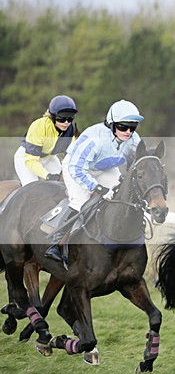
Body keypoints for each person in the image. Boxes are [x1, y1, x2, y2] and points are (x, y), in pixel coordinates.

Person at [44, 99, 144, 262]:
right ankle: (57, 244)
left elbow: (137, 162)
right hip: (77, 167)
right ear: (111, 124)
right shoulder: (95, 138)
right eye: (123, 127)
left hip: (104, 168)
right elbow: (77, 169)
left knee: (120, 195)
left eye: (132, 127)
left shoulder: (134, 139)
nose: (128, 132)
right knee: (80, 202)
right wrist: (97, 188)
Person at [14, 95, 79, 185]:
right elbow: (31, 160)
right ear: (52, 116)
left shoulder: (70, 129)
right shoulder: (39, 126)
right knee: (32, 187)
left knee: (63, 184)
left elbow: (71, 155)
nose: (66, 122)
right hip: (27, 158)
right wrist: (46, 175)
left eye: (70, 118)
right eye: (62, 118)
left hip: (48, 158)